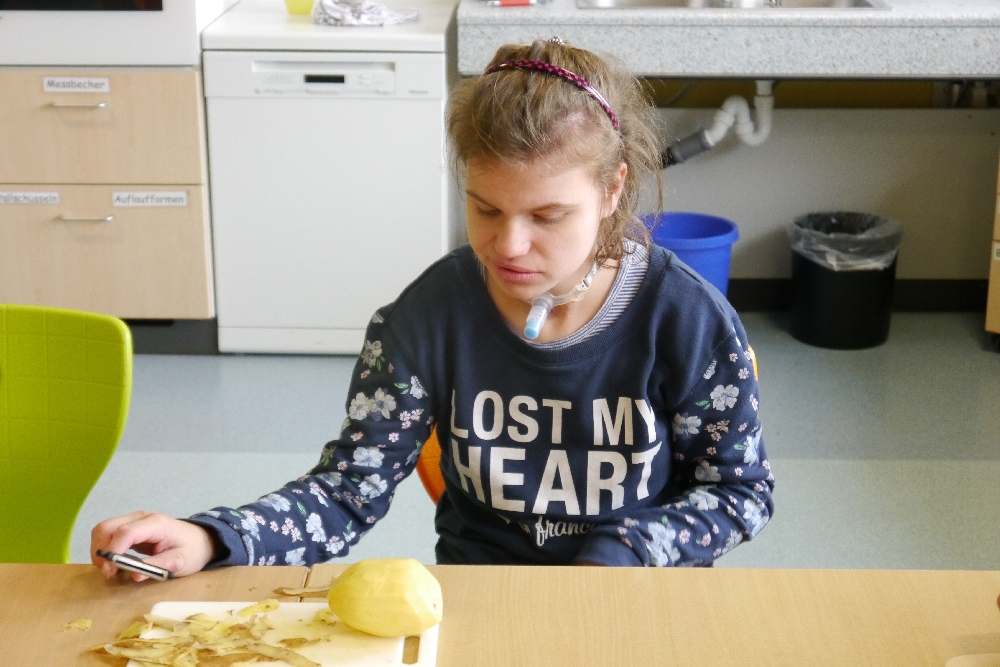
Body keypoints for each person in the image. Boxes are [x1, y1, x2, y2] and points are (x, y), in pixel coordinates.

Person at [92, 38, 773, 578]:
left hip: (637, 593)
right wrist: (212, 537)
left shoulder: (686, 320)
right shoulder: (428, 316)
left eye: (547, 216)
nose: (509, 245)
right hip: (481, 594)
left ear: (613, 189)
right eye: (485, 209)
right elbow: (347, 491)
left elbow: (739, 492)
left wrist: (625, 548)